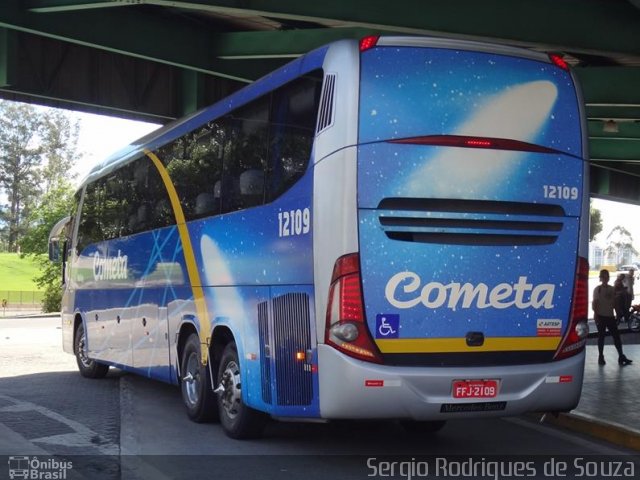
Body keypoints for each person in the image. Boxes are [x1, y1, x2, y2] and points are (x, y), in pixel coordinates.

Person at [592, 269, 632, 366]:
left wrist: (618, 315)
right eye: (604, 277)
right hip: (601, 317)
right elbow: (595, 304)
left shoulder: (612, 289)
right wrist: (596, 315)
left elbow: (615, 303)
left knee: (616, 337)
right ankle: (601, 356)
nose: (606, 278)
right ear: (601, 278)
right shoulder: (597, 289)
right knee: (601, 337)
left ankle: (621, 356)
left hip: (610, 317)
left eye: (607, 276)